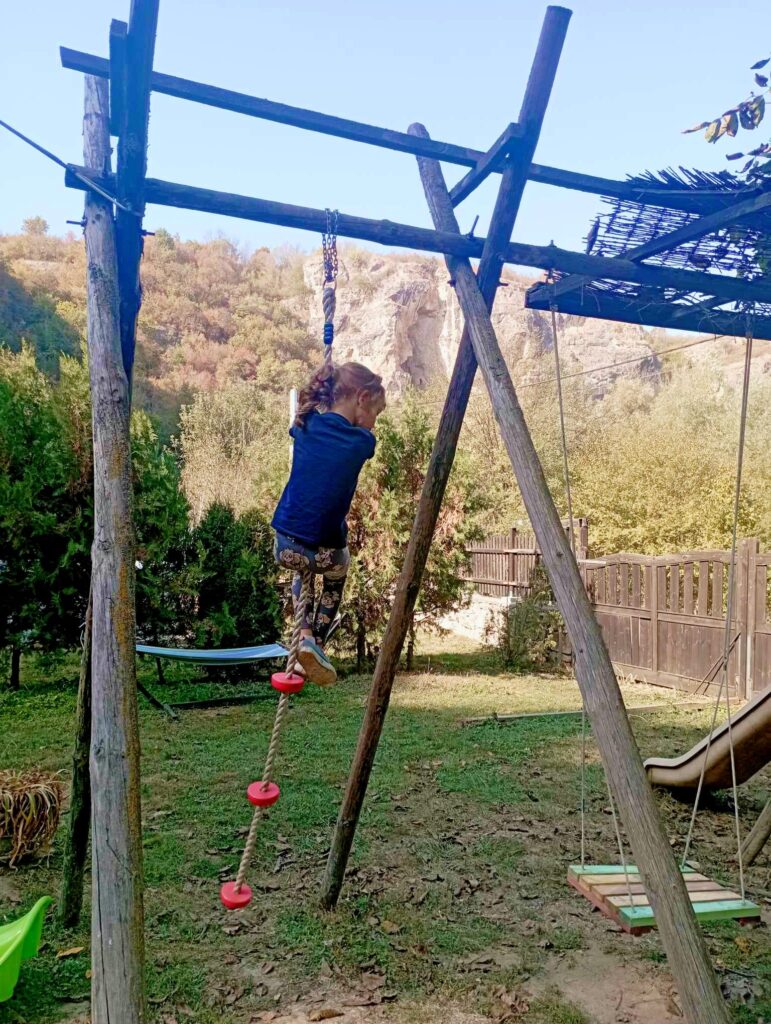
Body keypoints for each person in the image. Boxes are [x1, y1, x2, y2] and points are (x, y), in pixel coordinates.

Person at [272, 361, 386, 686]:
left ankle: (303, 634)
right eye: (375, 413)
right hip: (326, 554)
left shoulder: (305, 423)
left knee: (300, 569)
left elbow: (301, 424)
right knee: (338, 571)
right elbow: (362, 438)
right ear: (362, 398)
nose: (374, 423)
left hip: (284, 544)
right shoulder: (362, 442)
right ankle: (317, 642)